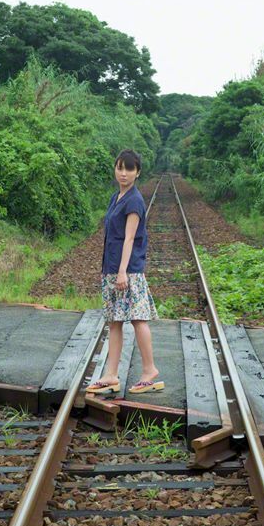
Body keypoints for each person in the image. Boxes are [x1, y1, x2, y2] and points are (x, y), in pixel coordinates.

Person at [87, 149, 163, 395]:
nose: (123, 173)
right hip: (111, 268)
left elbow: (129, 239)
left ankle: (149, 371)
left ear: (137, 172)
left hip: (127, 270)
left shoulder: (134, 201)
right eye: (120, 167)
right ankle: (110, 375)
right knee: (115, 321)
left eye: (129, 169)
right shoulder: (116, 197)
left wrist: (122, 272)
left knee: (138, 319)